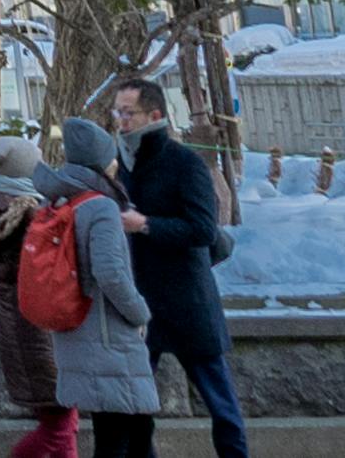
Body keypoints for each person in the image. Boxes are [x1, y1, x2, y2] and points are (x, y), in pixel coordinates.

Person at [105, 78, 247, 458]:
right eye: (117, 112)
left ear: (154, 115)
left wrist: (146, 224)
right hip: (140, 304)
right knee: (135, 405)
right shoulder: (121, 167)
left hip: (188, 301)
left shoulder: (184, 164)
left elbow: (203, 228)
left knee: (221, 405)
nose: (120, 120)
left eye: (127, 112)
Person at [34, 120, 165, 458]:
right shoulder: (101, 208)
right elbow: (110, 273)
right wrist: (140, 311)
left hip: (78, 331)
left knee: (134, 428)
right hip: (110, 337)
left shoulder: (63, 201)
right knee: (117, 433)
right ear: (102, 163)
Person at [0, 139, 76, 458]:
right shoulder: (25, 218)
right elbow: (51, 273)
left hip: (20, 331)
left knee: (65, 424)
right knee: (59, 426)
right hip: (36, 334)